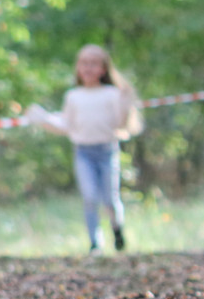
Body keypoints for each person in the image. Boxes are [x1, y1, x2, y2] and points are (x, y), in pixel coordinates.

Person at [26, 44, 142, 255]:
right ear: (78, 68)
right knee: (89, 198)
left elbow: (120, 124)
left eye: (93, 63)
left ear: (103, 69)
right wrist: (43, 120)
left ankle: (117, 230)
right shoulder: (73, 96)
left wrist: (126, 104)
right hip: (83, 152)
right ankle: (94, 242)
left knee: (109, 199)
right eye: (84, 63)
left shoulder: (111, 94)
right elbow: (67, 126)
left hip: (107, 151)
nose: (88, 68)